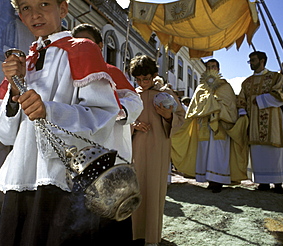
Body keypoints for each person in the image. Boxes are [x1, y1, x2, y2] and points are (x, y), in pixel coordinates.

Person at [0, 0, 120, 245]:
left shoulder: (82, 49)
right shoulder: (23, 63)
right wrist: (13, 93)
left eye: (43, 3)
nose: (35, 14)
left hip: (63, 177)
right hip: (23, 173)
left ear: (63, 9)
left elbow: (103, 117)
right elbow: (6, 136)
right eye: (25, 8)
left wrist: (49, 111)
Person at [71, 23, 143, 245]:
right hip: (79, 160)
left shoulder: (110, 72)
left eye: (88, 43)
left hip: (112, 156)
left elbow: (134, 102)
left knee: (113, 221)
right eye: (77, 45)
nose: (82, 49)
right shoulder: (67, 72)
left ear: (100, 46)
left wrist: (115, 112)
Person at [129, 55, 185, 246]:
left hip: (158, 148)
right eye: (138, 80)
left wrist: (169, 116)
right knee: (135, 188)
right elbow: (122, 119)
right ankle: (136, 234)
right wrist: (133, 126)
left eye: (146, 79)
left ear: (154, 75)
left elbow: (181, 117)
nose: (142, 83)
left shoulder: (165, 93)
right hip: (135, 149)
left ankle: (152, 237)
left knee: (154, 190)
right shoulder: (131, 94)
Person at [171, 59, 248, 193]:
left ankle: (219, 180)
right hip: (205, 125)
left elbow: (230, 106)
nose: (211, 69)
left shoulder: (225, 86)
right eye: (208, 67)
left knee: (219, 153)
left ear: (218, 69)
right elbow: (195, 107)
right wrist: (208, 105)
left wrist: (213, 106)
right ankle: (209, 179)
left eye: (213, 67)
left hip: (221, 124)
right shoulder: (201, 87)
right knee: (205, 152)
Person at [237, 51, 283, 193]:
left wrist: (259, 100)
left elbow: (280, 96)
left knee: (275, 152)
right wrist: (242, 114)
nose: (251, 63)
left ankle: (278, 183)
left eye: (253, 60)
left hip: (273, 121)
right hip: (253, 122)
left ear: (262, 61)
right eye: (250, 61)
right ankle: (262, 182)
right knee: (258, 152)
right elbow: (241, 100)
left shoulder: (276, 77)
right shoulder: (246, 82)